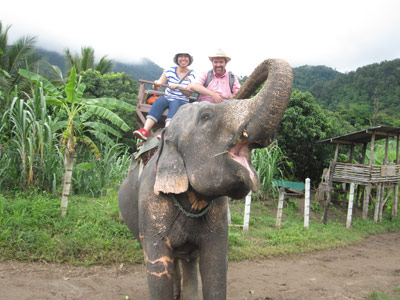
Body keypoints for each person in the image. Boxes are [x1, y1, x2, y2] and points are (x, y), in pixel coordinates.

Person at [133, 52, 196, 141]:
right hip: (168, 98)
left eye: (186, 57)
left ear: (189, 59)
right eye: (180, 56)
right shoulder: (169, 71)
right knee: (160, 101)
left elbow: (189, 93)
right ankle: (145, 130)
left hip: (181, 100)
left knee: (175, 103)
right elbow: (157, 88)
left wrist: (179, 86)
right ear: (177, 59)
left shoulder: (193, 74)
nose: (183, 59)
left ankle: (166, 131)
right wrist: (156, 84)